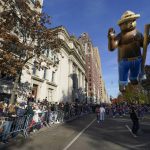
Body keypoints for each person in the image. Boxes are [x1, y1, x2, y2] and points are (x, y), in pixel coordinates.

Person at [108, 10, 150, 92]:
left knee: (135, 72)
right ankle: (123, 84)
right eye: (127, 22)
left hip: (137, 59)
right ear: (121, 25)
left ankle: (133, 78)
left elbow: (143, 44)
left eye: (132, 21)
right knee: (123, 74)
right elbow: (112, 47)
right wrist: (111, 38)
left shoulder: (138, 33)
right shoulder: (120, 36)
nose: (130, 23)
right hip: (124, 60)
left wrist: (148, 39)